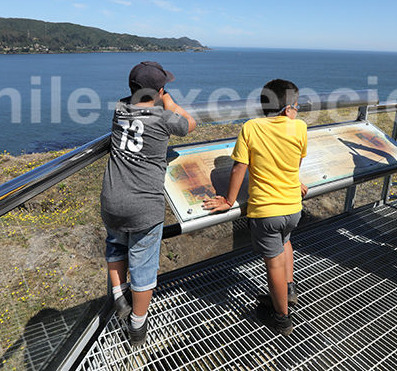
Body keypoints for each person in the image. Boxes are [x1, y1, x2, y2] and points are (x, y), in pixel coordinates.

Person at [99, 61, 196, 346]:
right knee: (143, 265)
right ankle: (138, 326)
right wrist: (169, 102)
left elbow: (135, 105)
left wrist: (153, 95)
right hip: (145, 205)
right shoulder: (164, 118)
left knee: (115, 245)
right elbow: (189, 124)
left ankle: (119, 296)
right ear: (160, 90)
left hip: (112, 197)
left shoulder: (119, 109)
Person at [202, 79, 308, 335]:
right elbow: (295, 161)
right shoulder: (300, 127)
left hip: (266, 212)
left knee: (273, 264)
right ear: (287, 109)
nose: (297, 111)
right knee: (285, 242)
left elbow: (239, 167)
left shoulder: (251, 127)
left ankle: (281, 318)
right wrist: (295, 181)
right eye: (296, 106)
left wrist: (228, 200)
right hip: (293, 208)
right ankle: (288, 290)